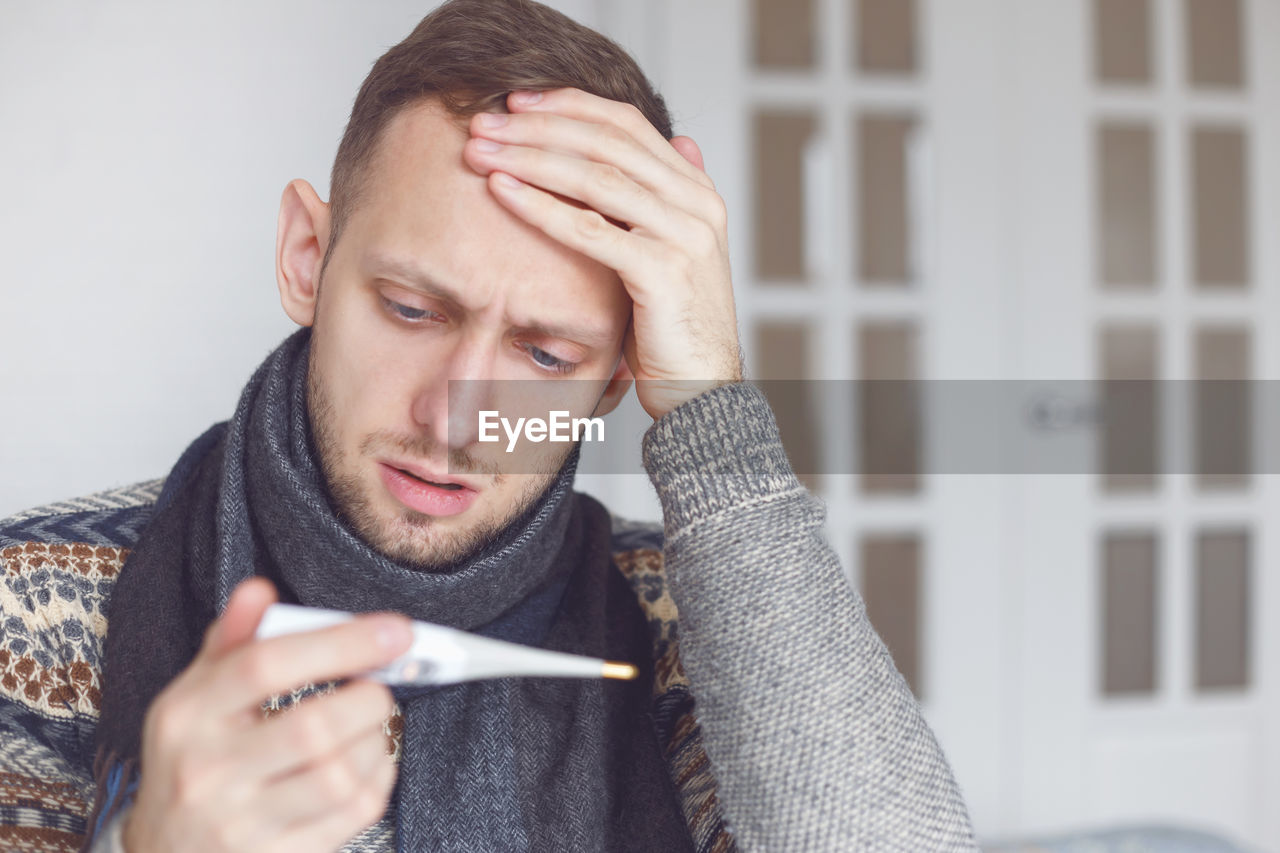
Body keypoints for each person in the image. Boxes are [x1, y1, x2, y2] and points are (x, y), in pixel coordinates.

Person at [0, 1, 977, 850]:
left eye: (546, 356)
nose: (456, 417)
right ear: (307, 258)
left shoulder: (681, 623)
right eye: (412, 311)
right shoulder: (32, 605)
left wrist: (710, 408)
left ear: (615, 383)